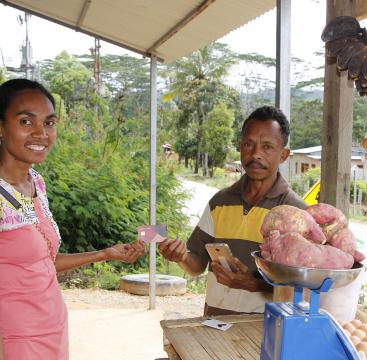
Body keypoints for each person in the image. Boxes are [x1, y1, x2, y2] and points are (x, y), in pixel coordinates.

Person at [0, 79, 146, 360]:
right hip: (13, 340)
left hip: (53, 328)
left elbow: (44, 262)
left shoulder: (35, 185)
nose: (41, 133)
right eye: (26, 122)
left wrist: (105, 254)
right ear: (1, 126)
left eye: (49, 123)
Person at [158, 106, 306, 316]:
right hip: (213, 327)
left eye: (267, 147)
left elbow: (305, 289)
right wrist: (180, 256)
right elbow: (196, 265)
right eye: (248, 144)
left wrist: (254, 284)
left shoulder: (297, 213)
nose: (255, 154)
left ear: (283, 155)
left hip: (267, 335)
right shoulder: (219, 203)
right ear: (239, 147)